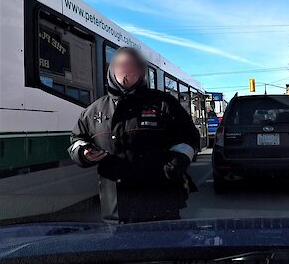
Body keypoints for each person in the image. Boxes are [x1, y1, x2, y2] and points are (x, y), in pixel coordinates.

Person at [68, 47, 199, 224]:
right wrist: (83, 152)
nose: (128, 70)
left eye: (134, 66)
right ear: (111, 70)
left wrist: (173, 168)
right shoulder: (94, 110)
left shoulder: (163, 103)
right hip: (114, 211)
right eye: (122, 65)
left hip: (161, 205)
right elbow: (77, 139)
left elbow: (189, 138)